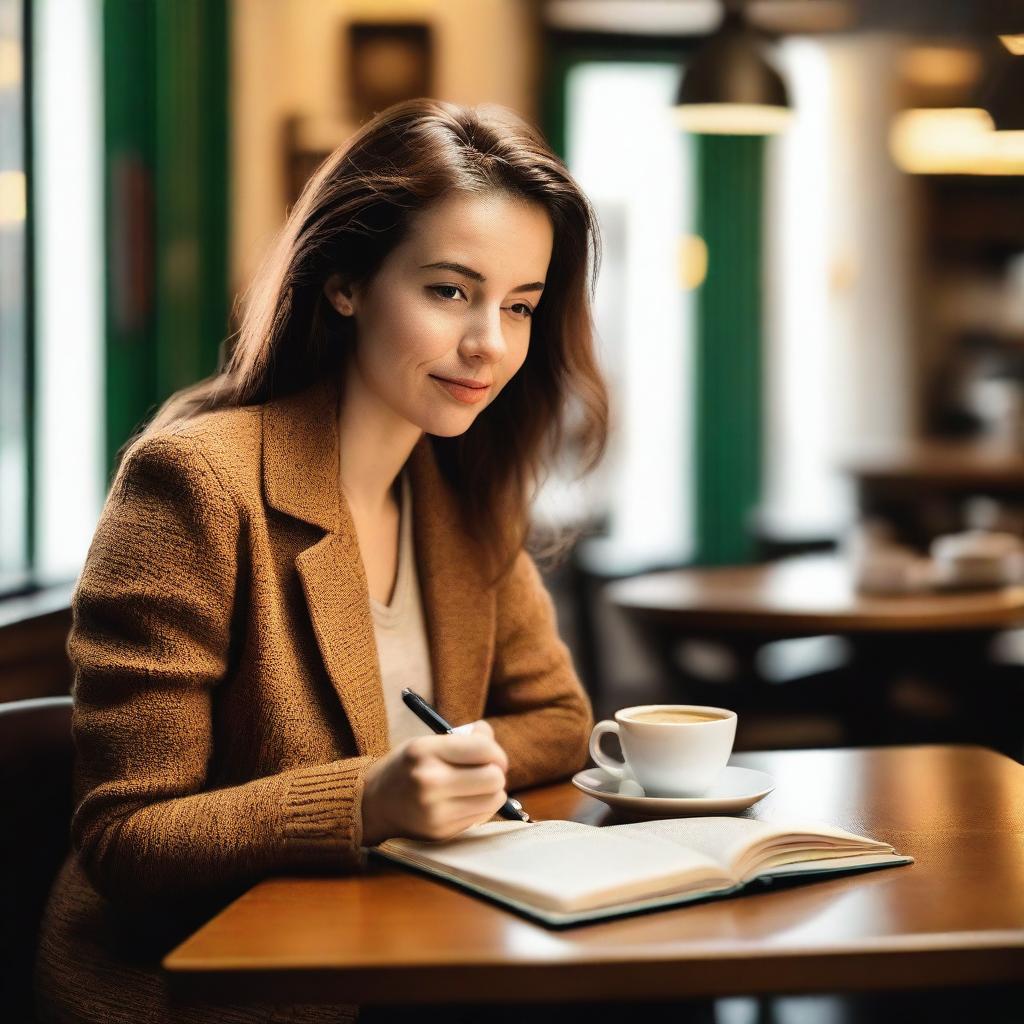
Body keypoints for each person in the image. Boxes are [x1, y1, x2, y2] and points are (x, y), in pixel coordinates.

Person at [33, 98, 611, 1024]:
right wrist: (368, 799)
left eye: (520, 306)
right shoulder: (196, 483)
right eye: (450, 290)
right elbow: (125, 838)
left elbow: (559, 714)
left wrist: (442, 773)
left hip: (397, 955)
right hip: (202, 993)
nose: (490, 345)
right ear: (344, 283)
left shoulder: (462, 491)